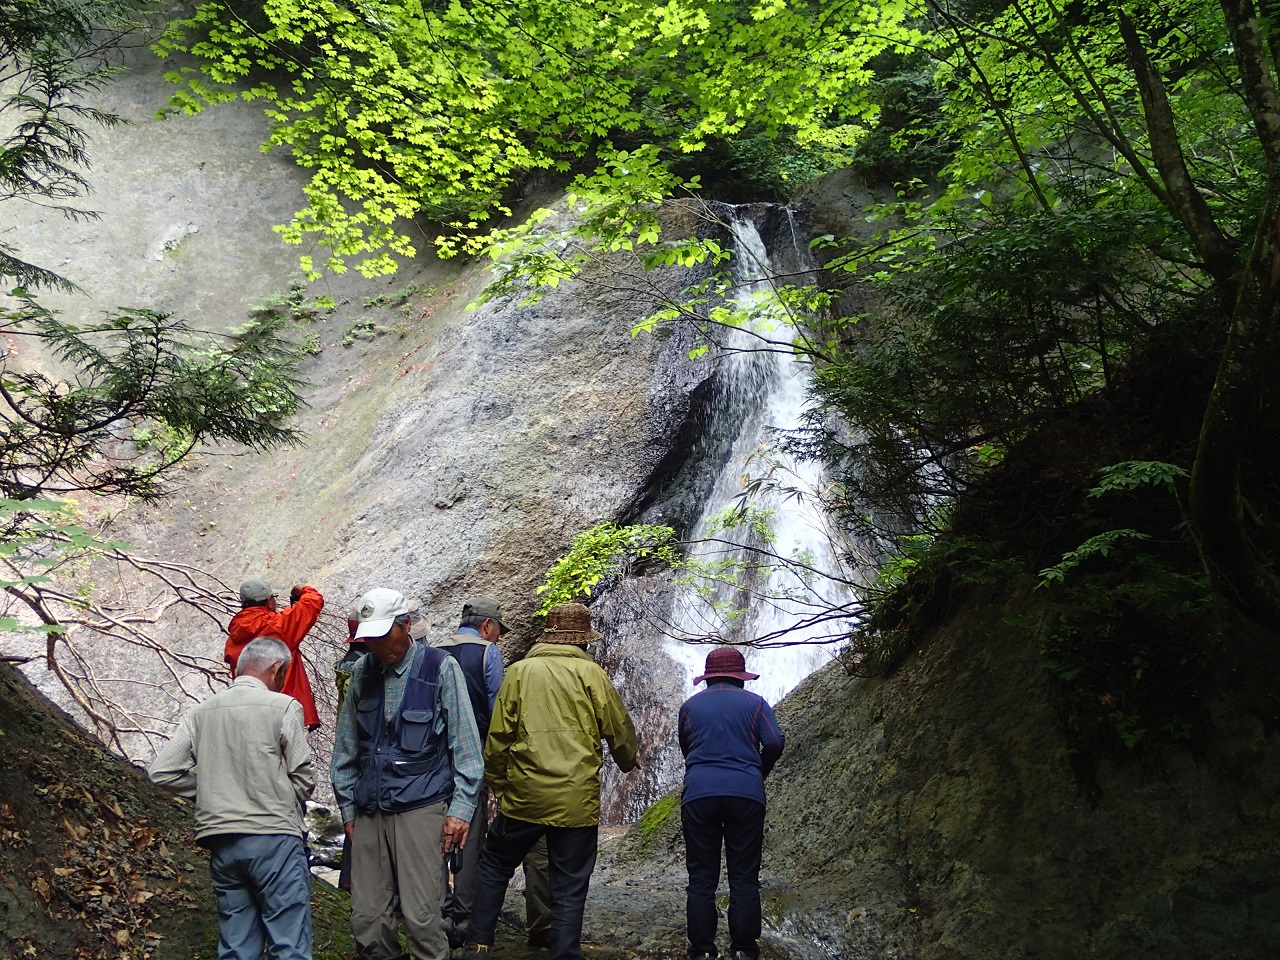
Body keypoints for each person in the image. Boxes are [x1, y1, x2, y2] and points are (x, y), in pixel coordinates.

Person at [458, 602, 638, 960]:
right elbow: (618, 729)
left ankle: (478, 944)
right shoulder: (593, 675)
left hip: (524, 795)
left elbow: (498, 738)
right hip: (576, 800)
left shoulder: (520, 672)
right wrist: (627, 759)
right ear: (582, 641)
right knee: (570, 882)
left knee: (494, 865)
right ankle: (565, 953)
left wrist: (499, 783)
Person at [331, 587, 484, 960]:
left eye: (385, 635)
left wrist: (460, 811)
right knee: (367, 921)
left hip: (422, 809)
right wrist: (349, 811)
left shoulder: (439, 667)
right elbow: (345, 752)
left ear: (406, 625)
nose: (378, 645)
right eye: (371, 638)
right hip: (368, 811)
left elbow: (467, 748)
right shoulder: (360, 674)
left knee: (423, 919)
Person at [148, 636, 315, 960]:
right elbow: (303, 778)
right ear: (277, 669)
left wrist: (217, 790)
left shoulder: (201, 713)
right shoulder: (283, 707)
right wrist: (272, 793)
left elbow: (162, 772)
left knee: (237, 947)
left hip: (222, 842)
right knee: (289, 945)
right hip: (274, 838)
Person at [678, 647, 785, 960]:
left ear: (708, 678)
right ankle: (743, 950)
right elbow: (776, 742)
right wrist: (758, 770)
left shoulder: (689, 706)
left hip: (699, 794)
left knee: (701, 878)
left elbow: (687, 747)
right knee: (744, 878)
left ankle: (702, 951)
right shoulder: (756, 703)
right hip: (746, 793)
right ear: (741, 678)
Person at [437, 596, 508, 947]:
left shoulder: (436, 650)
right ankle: (464, 913)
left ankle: (440, 908)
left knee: (438, 827)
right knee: (471, 827)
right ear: (486, 626)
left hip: (436, 758)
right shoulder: (487, 652)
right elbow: (497, 706)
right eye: (497, 631)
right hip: (473, 752)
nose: (497, 638)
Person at [226, 576, 325, 730]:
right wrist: (300, 589)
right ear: (268, 601)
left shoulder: (234, 636)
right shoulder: (279, 626)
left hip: (248, 716)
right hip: (284, 713)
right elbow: (313, 601)